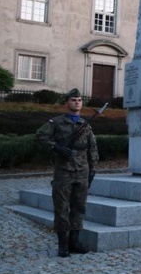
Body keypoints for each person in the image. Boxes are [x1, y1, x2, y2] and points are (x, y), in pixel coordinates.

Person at [36, 88, 98, 257]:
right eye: (73, 100)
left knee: (79, 207)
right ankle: (63, 244)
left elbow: (92, 148)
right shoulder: (56, 122)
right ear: (67, 103)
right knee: (62, 208)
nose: (77, 102)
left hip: (82, 172)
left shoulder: (85, 124)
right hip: (63, 172)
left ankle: (74, 242)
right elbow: (40, 136)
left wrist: (93, 169)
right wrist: (56, 147)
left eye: (79, 100)